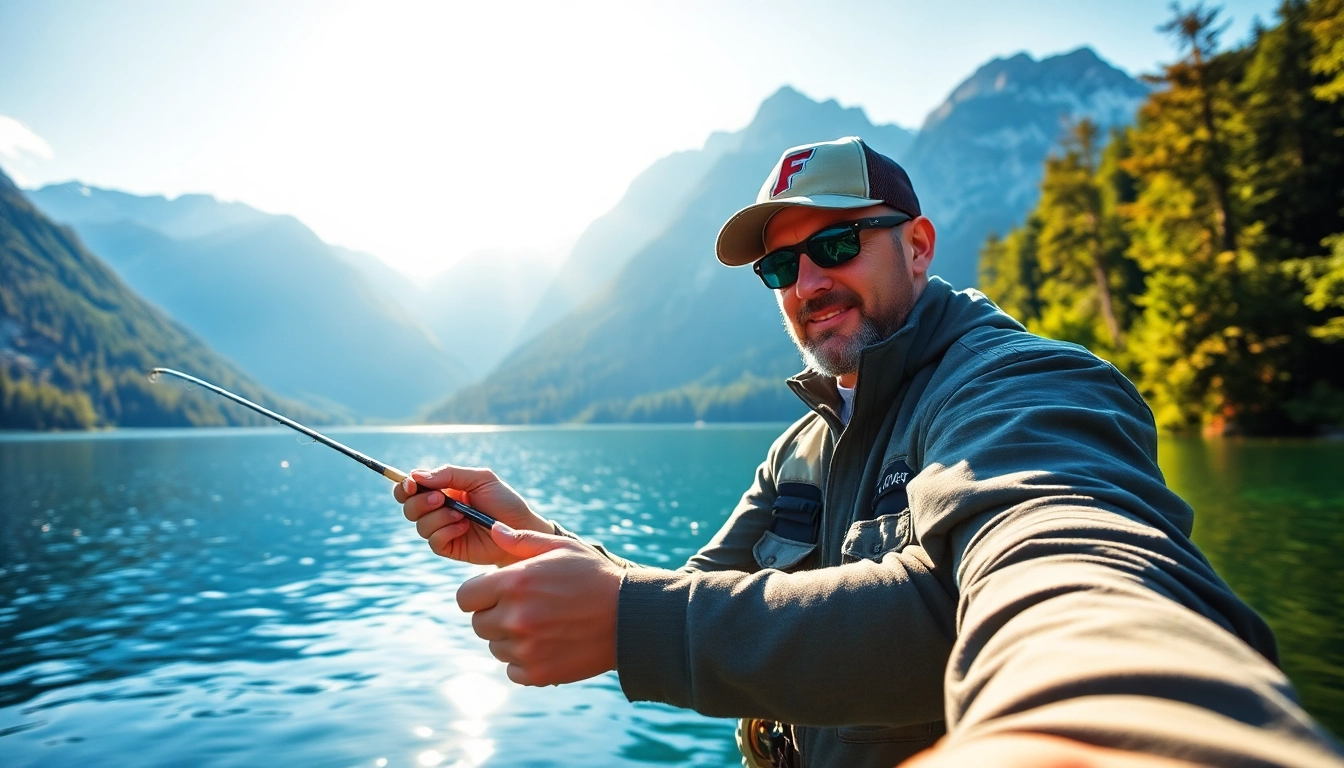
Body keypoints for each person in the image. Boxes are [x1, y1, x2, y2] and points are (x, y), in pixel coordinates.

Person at [396, 137, 1344, 768]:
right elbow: (686, 597)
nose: (807, 282)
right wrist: (535, 542)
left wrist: (1100, 725)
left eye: (838, 243)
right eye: (780, 266)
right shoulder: (801, 446)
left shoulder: (1019, 385)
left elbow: (1069, 564)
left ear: (918, 246)